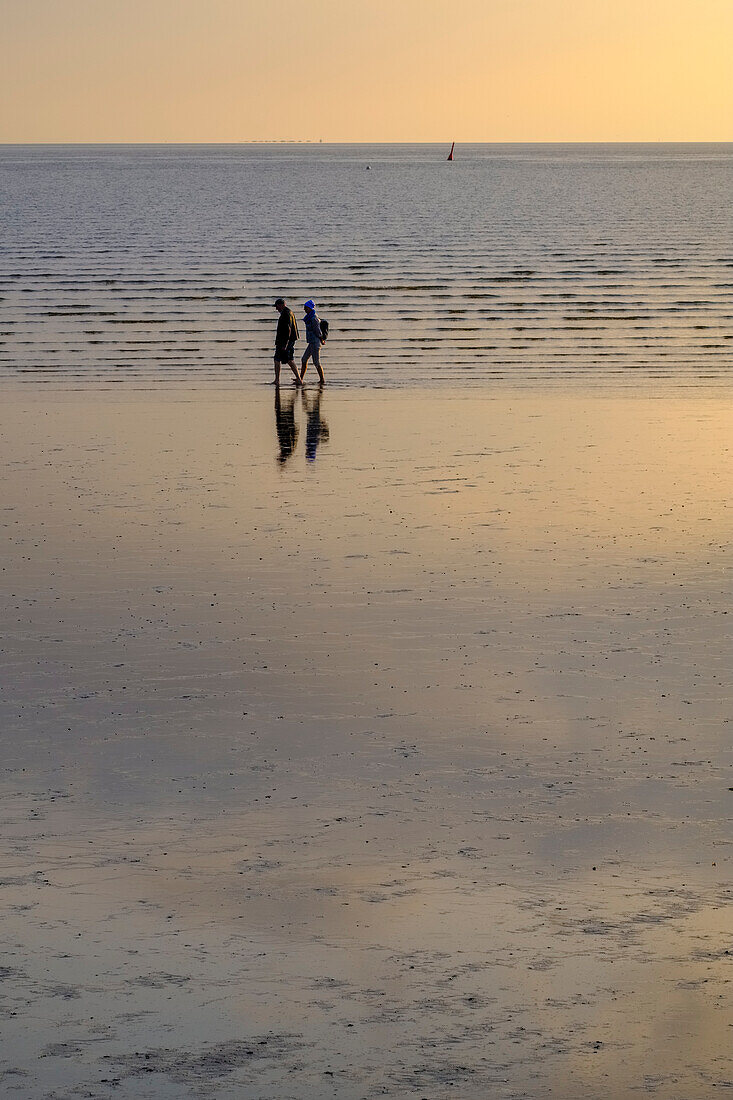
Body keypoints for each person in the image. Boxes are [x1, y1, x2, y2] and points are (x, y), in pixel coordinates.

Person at [273, 298, 300, 384]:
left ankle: (277, 380)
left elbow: (288, 330)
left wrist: (285, 344)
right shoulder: (289, 312)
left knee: (280, 359)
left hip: (284, 341)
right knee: (288, 359)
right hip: (287, 340)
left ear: (281, 305)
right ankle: (298, 378)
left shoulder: (286, 314)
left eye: (277, 306)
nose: (276, 309)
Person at [300, 299, 325, 383]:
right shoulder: (308, 317)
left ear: (310, 308)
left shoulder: (314, 318)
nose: (304, 309)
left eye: (306, 308)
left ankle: (322, 380)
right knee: (304, 359)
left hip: (315, 343)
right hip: (311, 342)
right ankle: (300, 379)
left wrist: (322, 339)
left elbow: (318, 331)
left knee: (316, 362)